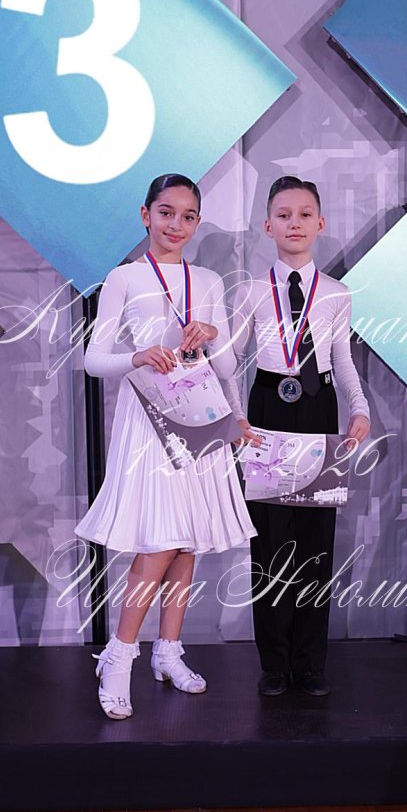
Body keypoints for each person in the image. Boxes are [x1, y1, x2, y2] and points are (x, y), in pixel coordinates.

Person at [75, 173, 256, 719]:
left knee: (187, 543)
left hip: (202, 415)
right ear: (145, 215)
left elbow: (227, 367)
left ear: (197, 222)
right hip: (149, 420)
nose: (176, 224)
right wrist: (138, 356)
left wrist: (213, 337)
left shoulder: (208, 280)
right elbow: (92, 359)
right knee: (159, 541)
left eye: (187, 216)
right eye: (166, 212)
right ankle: (119, 656)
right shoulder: (125, 277)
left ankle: (168, 650)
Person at [223, 176, 370, 697]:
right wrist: (236, 418)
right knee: (268, 543)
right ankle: (274, 664)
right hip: (266, 407)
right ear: (268, 226)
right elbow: (229, 362)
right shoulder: (249, 291)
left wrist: (359, 408)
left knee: (315, 543)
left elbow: (342, 359)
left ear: (320, 223)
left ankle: (310, 664)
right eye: (283, 215)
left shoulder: (336, 294)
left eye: (305, 214)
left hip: (317, 408)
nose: (294, 223)